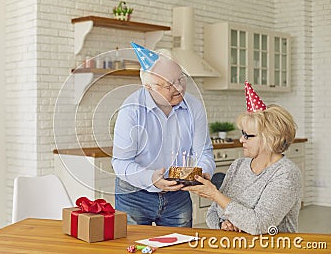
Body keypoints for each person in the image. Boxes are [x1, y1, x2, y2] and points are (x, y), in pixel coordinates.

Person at [111, 42, 215, 227]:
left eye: (181, 79)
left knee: (179, 247)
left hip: (178, 196)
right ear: (149, 87)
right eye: (169, 85)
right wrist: (151, 178)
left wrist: (203, 172)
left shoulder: (194, 106)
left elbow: (204, 152)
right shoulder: (131, 109)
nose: (179, 88)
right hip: (134, 196)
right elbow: (120, 163)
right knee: (132, 248)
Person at [183, 81, 301, 235]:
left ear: (270, 138)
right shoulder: (238, 165)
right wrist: (223, 224)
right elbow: (212, 214)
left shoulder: (286, 174)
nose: (241, 140)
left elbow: (258, 225)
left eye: (247, 135)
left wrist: (214, 194)